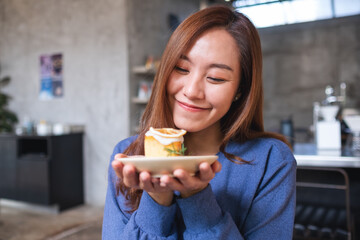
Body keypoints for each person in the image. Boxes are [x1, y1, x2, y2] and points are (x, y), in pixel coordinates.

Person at [102, 5, 296, 240]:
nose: (192, 91)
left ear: (240, 90)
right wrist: (156, 201)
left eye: (215, 78)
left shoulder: (270, 161)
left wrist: (197, 198)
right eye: (182, 68)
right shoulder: (129, 156)